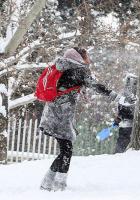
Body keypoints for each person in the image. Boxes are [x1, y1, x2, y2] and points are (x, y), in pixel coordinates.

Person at [39, 47, 122, 191]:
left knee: (65, 150)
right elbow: (95, 85)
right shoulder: (78, 70)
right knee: (67, 150)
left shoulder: (62, 67)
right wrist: (114, 95)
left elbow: (69, 86)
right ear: (79, 57)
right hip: (61, 117)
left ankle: (47, 183)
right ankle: (59, 185)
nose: (88, 58)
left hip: (51, 114)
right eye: (86, 56)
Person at [113, 73, 137, 153]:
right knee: (122, 143)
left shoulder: (123, 100)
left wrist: (117, 121)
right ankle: (118, 154)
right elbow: (120, 113)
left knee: (122, 143)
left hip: (127, 127)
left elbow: (120, 113)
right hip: (127, 127)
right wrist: (117, 121)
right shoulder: (125, 100)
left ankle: (118, 154)